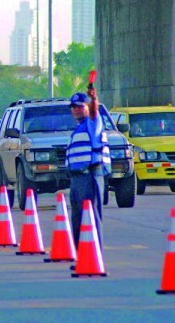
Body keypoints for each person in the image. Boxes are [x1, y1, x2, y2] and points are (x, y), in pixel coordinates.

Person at [66, 86, 111, 254]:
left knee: (91, 217)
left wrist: (94, 99)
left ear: (87, 107)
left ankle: (94, 255)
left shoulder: (92, 124)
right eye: (74, 107)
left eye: (80, 106)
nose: (76, 110)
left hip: (90, 176)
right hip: (77, 179)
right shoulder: (79, 128)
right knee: (78, 219)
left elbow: (94, 114)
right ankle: (82, 257)